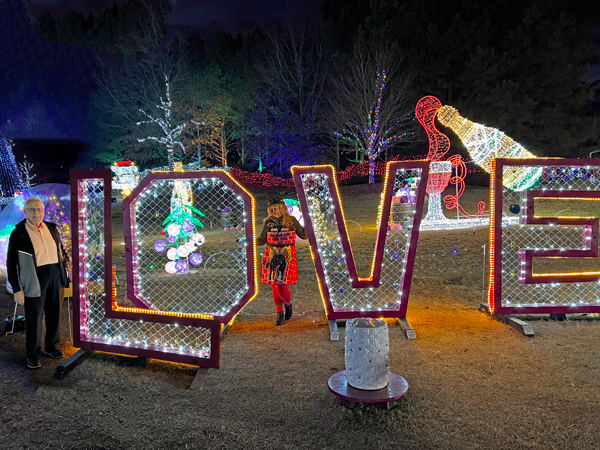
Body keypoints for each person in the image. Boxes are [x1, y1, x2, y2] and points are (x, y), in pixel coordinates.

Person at [6, 197, 71, 369]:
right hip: (34, 277)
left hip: (55, 274)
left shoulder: (51, 228)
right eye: (32, 209)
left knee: (54, 314)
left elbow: (60, 248)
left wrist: (67, 260)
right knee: (34, 317)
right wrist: (17, 289)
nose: (36, 212)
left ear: (44, 211)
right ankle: (32, 354)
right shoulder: (18, 233)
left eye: (39, 209)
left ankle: (51, 347)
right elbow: (11, 263)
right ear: (25, 211)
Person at [257, 198, 307, 326]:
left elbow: (304, 235)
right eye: (273, 209)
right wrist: (248, 239)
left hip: (287, 256)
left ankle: (288, 304)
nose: (276, 211)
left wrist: (311, 223)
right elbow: (262, 240)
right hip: (271, 254)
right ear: (270, 210)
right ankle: (279, 313)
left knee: (281, 285)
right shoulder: (268, 223)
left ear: (283, 208)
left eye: (278, 208)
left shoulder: (291, 221)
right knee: (274, 285)